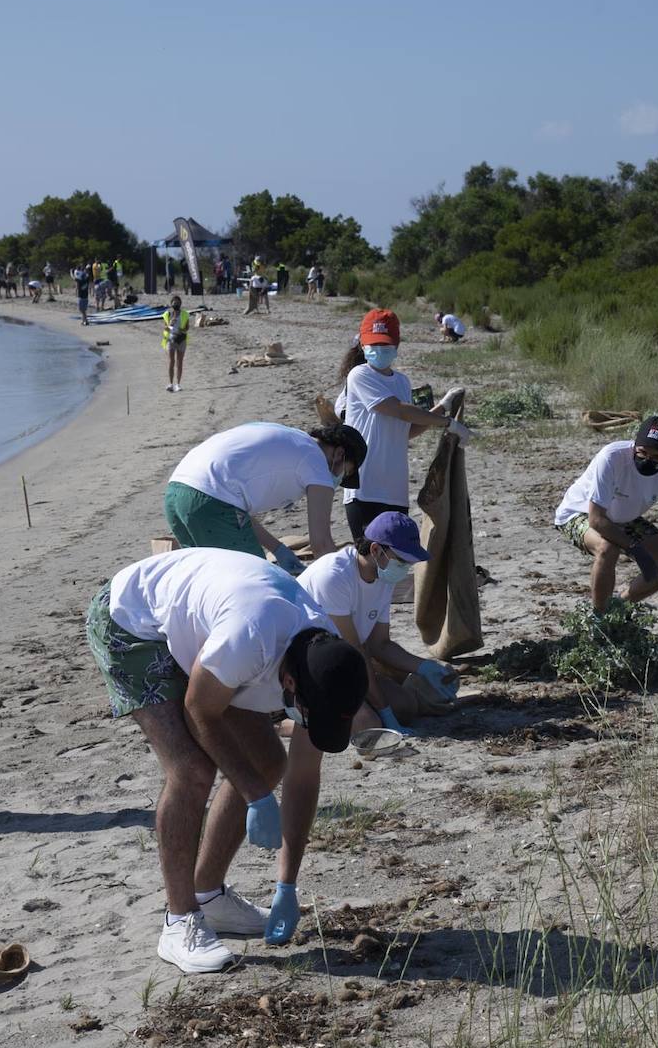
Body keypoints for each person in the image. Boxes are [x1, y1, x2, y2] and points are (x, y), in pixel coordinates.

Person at [86, 549, 368, 973]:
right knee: (192, 771)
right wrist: (256, 797)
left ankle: (209, 896)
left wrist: (285, 885)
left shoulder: (325, 662)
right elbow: (199, 711)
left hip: (204, 632)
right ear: (289, 683)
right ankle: (179, 922)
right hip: (131, 623)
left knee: (268, 761)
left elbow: (303, 776)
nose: (310, 723)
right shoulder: (249, 637)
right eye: (311, 716)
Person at [298, 511, 459, 737]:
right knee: (368, 726)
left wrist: (424, 667)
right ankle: (290, 719)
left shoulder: (383, 577)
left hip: (346, 662)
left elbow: (380, 644)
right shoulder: (334, 577)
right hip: (307, 665)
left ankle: (347, 705)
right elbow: (355, 651)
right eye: (402, 560)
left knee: (405, 707)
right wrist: (385, 713)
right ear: (375, 550)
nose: (406, 568)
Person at [554, 416, 658, 611]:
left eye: (657, 457)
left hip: (623, 518)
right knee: (607, 549)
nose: (648, 460)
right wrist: (636, 550)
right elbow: (597, 519)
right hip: (579, 513)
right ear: (634, 444)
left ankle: (617, 608)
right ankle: (598, 618)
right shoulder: (612, 457)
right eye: (642, 453)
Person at [341, 308, 471, 540]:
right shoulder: (360, 375)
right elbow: (397, 410)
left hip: (395, 490)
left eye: (385, 345)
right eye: (374, 344)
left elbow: (406, 430)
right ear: (363, 345)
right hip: (365, 488)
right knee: (371, 562)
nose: (380, 350)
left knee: (395, 562)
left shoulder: (402, 381)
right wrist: (446, 422)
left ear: (397, 345)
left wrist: (442, 406)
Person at [165, 421, 367, 569]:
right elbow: (321, 544)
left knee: (209, 578)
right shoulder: (317, 463)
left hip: (176, 492)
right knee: (254, 581)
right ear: (340, 454)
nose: (339, 481)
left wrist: (278, 548)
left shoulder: (294, 440)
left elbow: (236, 510)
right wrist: (345, 581)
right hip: (210, 503)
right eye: (346, 473)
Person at [163, 294, 190, 391]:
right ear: (171, 304)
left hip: (181, 339)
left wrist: (182, 330)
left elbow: (187, 328)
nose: (176, 304)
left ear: (180, 304)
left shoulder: (185, 314)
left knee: (180, 362)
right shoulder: (168, 314)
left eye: (178, 303)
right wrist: (170, 325)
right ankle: (170, 384)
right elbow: (165, 328)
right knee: (171, 362)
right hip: (171, 339)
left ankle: (178, 384)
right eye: (174, 303)